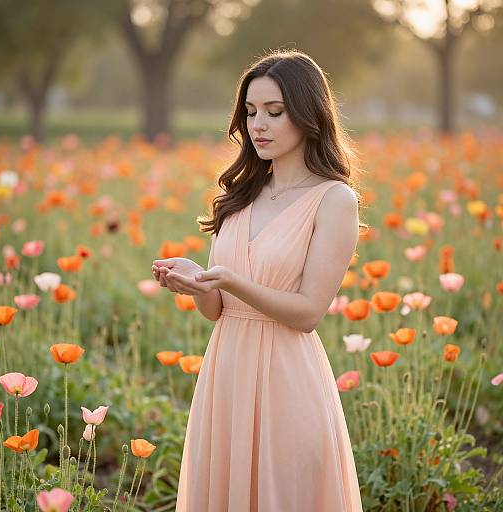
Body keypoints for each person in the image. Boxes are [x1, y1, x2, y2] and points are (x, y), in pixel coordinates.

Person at [152, 49, 366, 512]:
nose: (258, 125)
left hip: (287, 377)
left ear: (309, 114)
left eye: (274, 111)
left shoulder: (334, 200)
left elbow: (308, 313)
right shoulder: (241, 194)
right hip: (226, 373)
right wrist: (197, 282)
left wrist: (229, 280)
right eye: (250, 112)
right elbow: (217, 311)